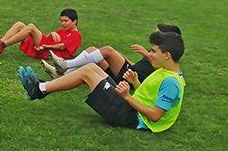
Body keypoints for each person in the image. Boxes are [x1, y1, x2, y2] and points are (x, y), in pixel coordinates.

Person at [17, 30, 186, 133]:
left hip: (132, 118)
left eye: (154, 51)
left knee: (87, 73)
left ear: (167, 55)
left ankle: (40, 89)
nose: (150, 55)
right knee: (91, 67)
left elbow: (155, 116)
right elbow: (151, 96)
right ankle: (41, 88)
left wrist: (127, 97)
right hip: (131, 108)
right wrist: (135, 83)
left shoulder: (171, 81)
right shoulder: (165, 71)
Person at [41, 23, 182, 81]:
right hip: (131, 70)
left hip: (130, 78)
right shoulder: (158, 51)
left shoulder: (166, 58)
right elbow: (141, 66)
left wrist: (146, 54)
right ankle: (60, 74)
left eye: (158, 33)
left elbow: (167, 73)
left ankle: (66, 64)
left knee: (107, 50)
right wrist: (121, 57)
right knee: (92, 51)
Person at [0, 8, 81, 60]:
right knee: (19, 24)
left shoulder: (76, 36)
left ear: (74, 21)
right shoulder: (62, 30)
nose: (63, 23)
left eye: (66, 21)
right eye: (62, 21)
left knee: (31, 27)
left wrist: (46, 46)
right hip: (43, 47)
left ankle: (2, 45)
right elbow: (47, 38)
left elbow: (61, 46)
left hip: (48, 52)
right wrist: (52, 33)